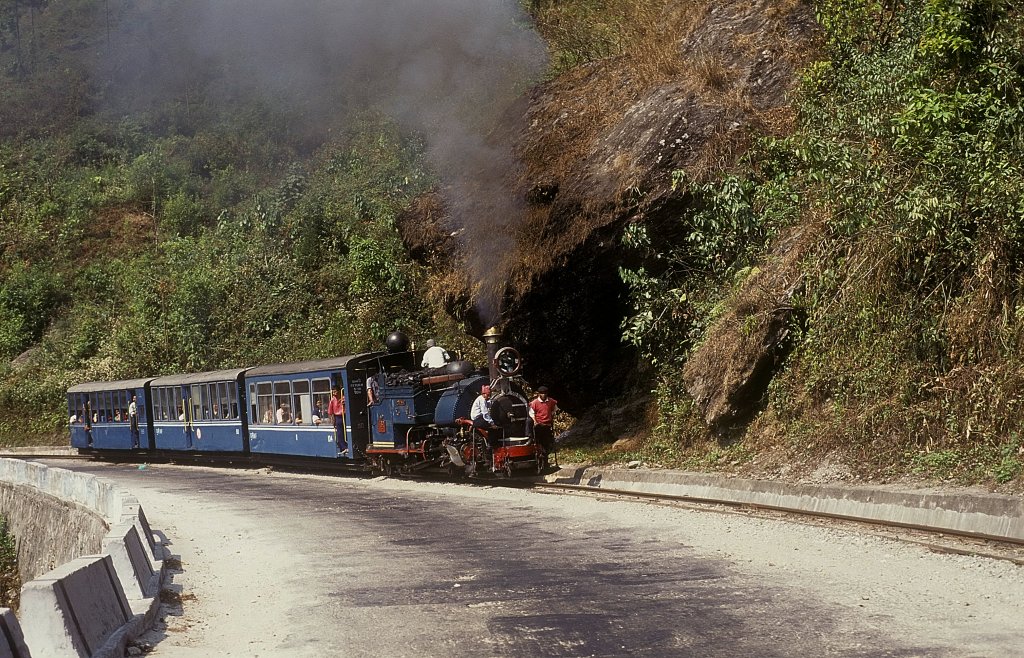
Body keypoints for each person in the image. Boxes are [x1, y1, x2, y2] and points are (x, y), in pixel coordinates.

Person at [529, 386, 558, 466]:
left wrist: (551, 416)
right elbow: (532, 414)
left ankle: (545, 460)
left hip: (547, 424)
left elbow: (554, 409)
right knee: (539, 442)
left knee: (547, 443)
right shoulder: (535, 403)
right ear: (539, 394)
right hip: (539, 425)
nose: (544, 395)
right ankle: (539, 458)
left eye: (545, 393)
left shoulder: (551, 401)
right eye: (542, 393)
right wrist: (535, 422)